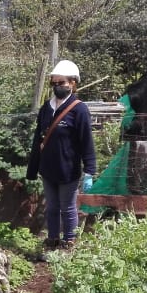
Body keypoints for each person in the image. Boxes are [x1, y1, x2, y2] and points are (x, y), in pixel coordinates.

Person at [26, 59, 97, 250]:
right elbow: (37, 139)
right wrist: (33, 168)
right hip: (48, 168)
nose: (57, 87)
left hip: (68, 169)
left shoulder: (79, 109)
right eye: (54, 83)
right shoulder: (46, 108)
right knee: (51, 207)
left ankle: (69, 240)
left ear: (73, 83)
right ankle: (52, 239)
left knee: (67, 207)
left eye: (62, 83)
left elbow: (86, 141)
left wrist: (90, 170)